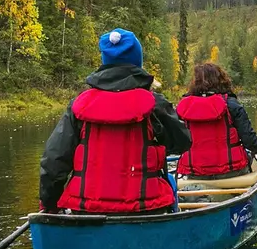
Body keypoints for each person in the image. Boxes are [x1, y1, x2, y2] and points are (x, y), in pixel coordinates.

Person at [39, 28, 191, 214]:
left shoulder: (79, 106)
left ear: (105, 62)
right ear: (137, 62)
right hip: (147, 211)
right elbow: (183, 142)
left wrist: (50, 207)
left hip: (87, 212)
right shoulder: (155, 104)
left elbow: (53, 162)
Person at [175, 62, 257, 178]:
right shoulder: (232, 105)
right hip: (231, 172)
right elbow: (250, 141)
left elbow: (176, 143)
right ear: (222, 80)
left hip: (195, 173)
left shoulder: (184, 109)